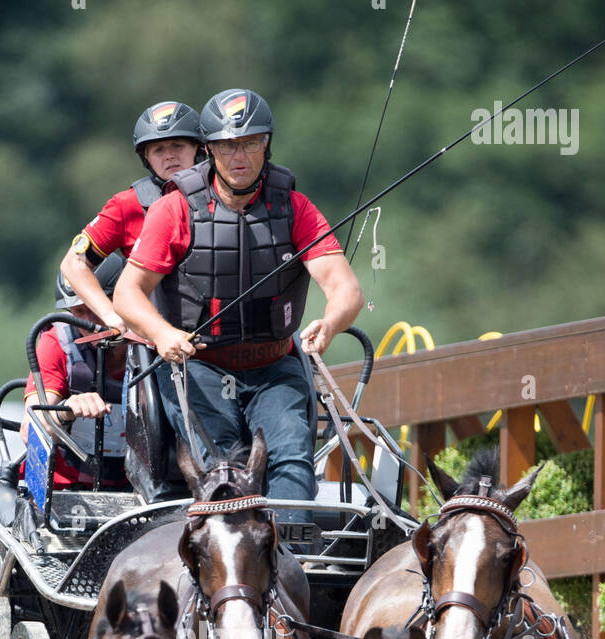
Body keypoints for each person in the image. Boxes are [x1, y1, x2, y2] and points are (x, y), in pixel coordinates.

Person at [113, 88, 364, 508]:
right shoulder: (175, 210)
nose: (239, 156)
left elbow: (346, 290)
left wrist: (330, 322)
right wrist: (161, 333)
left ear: (266, 144)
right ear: (209, 149)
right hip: (199, 368)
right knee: (225, 467)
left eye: (251, 142)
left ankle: (287, 554)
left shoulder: (296, 209)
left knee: (291, 461)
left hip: (274, 366)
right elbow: (128, 293)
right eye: (228, 146)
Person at [59, 101, 202, 332]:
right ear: (146, 157)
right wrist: (109, 314)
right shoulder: (127, 205)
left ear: (199, 148)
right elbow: (73, 263)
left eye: (178, 145)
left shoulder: (227, 193)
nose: (169, 156)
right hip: (158, 350)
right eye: (158, 150)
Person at [19, 261, 129, 491]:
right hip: (63, 489)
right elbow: (32, 430)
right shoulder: (56, 341)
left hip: (144, 493)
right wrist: (67, 409)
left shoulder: (157, 343)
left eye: (95, 308)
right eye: (78, 312)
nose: (88, 323)